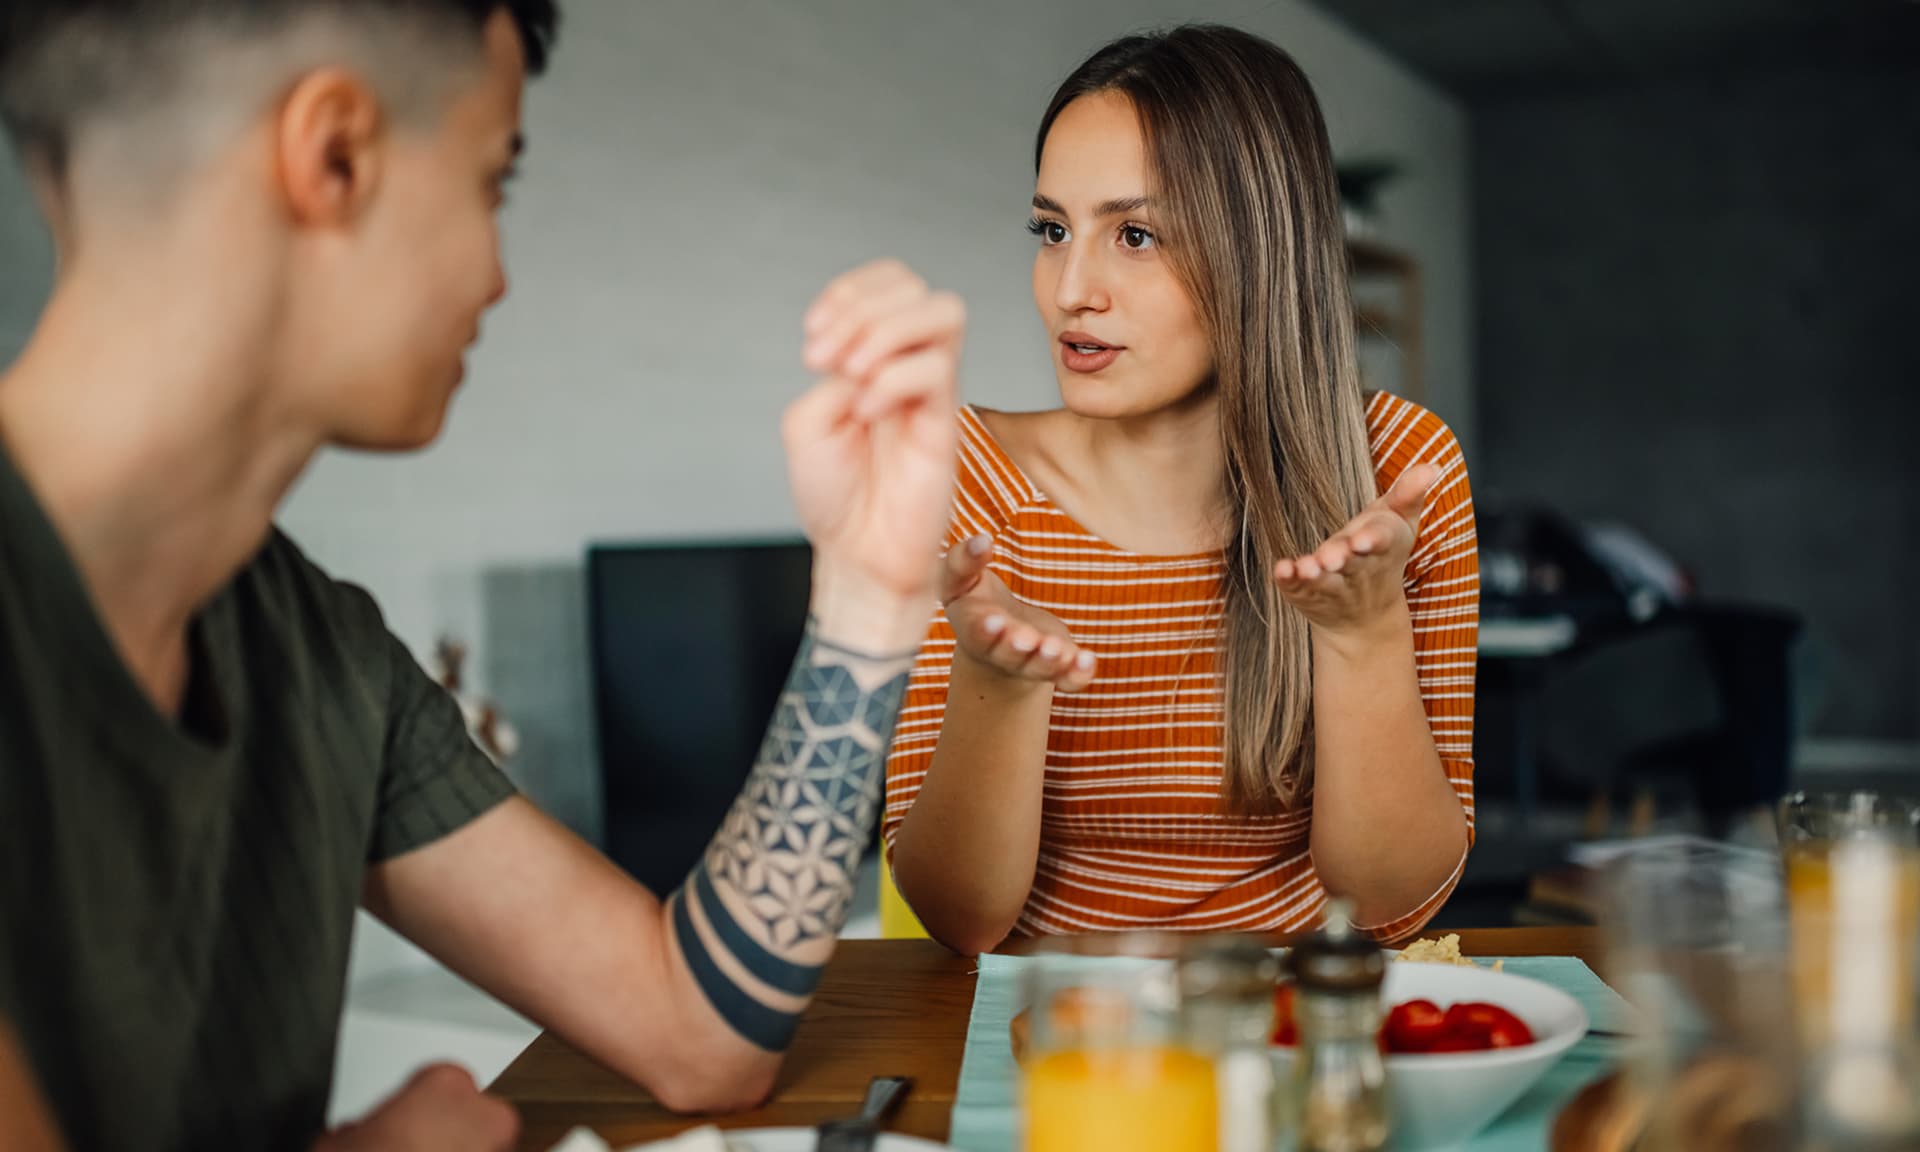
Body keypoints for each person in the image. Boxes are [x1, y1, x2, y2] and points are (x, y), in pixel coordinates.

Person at [0, 2, 964, 1148]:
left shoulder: (315, 652)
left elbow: (695, 1028)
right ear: (334, 155)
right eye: (489, 183)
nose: (498, 275)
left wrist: (868, 594)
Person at [883, 25, 1478, 956]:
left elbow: (1391, 903)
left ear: (1259, 251)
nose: (1070, 289)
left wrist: (1364, 636)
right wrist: (996, 684)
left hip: (1297, 1035)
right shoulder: (961, 479)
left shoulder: (1393, 473)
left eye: (1135, 234)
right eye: (1052, 230)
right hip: (1055, 1043)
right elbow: (959, 921)